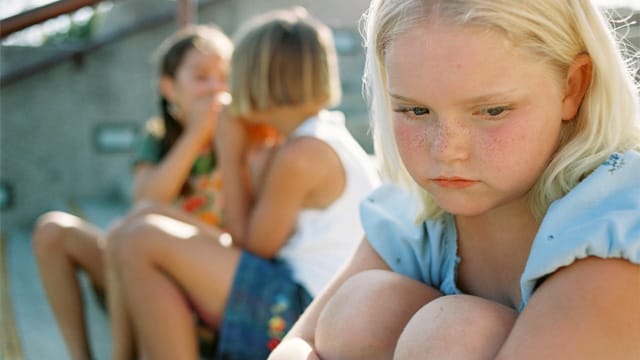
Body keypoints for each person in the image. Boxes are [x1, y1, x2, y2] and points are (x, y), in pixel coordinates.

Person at [269, 0, 640, 359]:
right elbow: (294, 346)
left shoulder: (616, 226)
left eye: (493, 110)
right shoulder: (418, 217)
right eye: (415, 110)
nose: (446, 150)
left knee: (451, 335)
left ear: (573, 86)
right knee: (362, 311)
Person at [106, 6, 380, 360]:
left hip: (306, 310)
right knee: (142, 220)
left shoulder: (302, 154)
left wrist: (230, 152)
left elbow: (250, 247)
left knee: (141, 240)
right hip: (302, 294)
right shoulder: (311, 136)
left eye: (233, 74)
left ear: (258, 80)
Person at [31, 24, 234, 360]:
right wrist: (195, 135)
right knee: (52, 230)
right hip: (142, 259)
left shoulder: (240, 137)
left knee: (129, 235)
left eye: (223, 76)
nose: (215, 87)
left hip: (199, 272)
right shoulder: (158, 137)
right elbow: (148, 199)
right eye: (201, 77)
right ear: (169, 88)